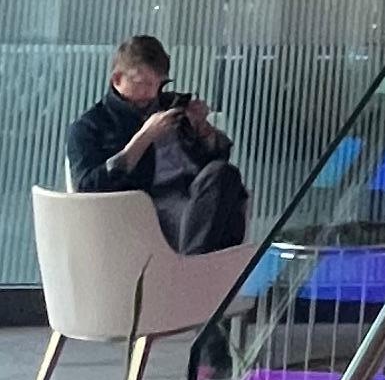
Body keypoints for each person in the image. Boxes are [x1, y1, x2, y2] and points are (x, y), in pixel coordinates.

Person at [66, 35, 248, 257]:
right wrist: (144, 138)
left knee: (224, 174)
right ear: (117, 79)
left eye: (158, 84)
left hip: (196, 195)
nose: (151, 93)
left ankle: (193, 263)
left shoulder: (172, 106)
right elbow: (86, 187)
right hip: (145, 208)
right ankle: (195, 264)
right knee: (218, 215)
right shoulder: (91, 126)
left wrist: (203, 129)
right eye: (142, 84)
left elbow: (217, 157)